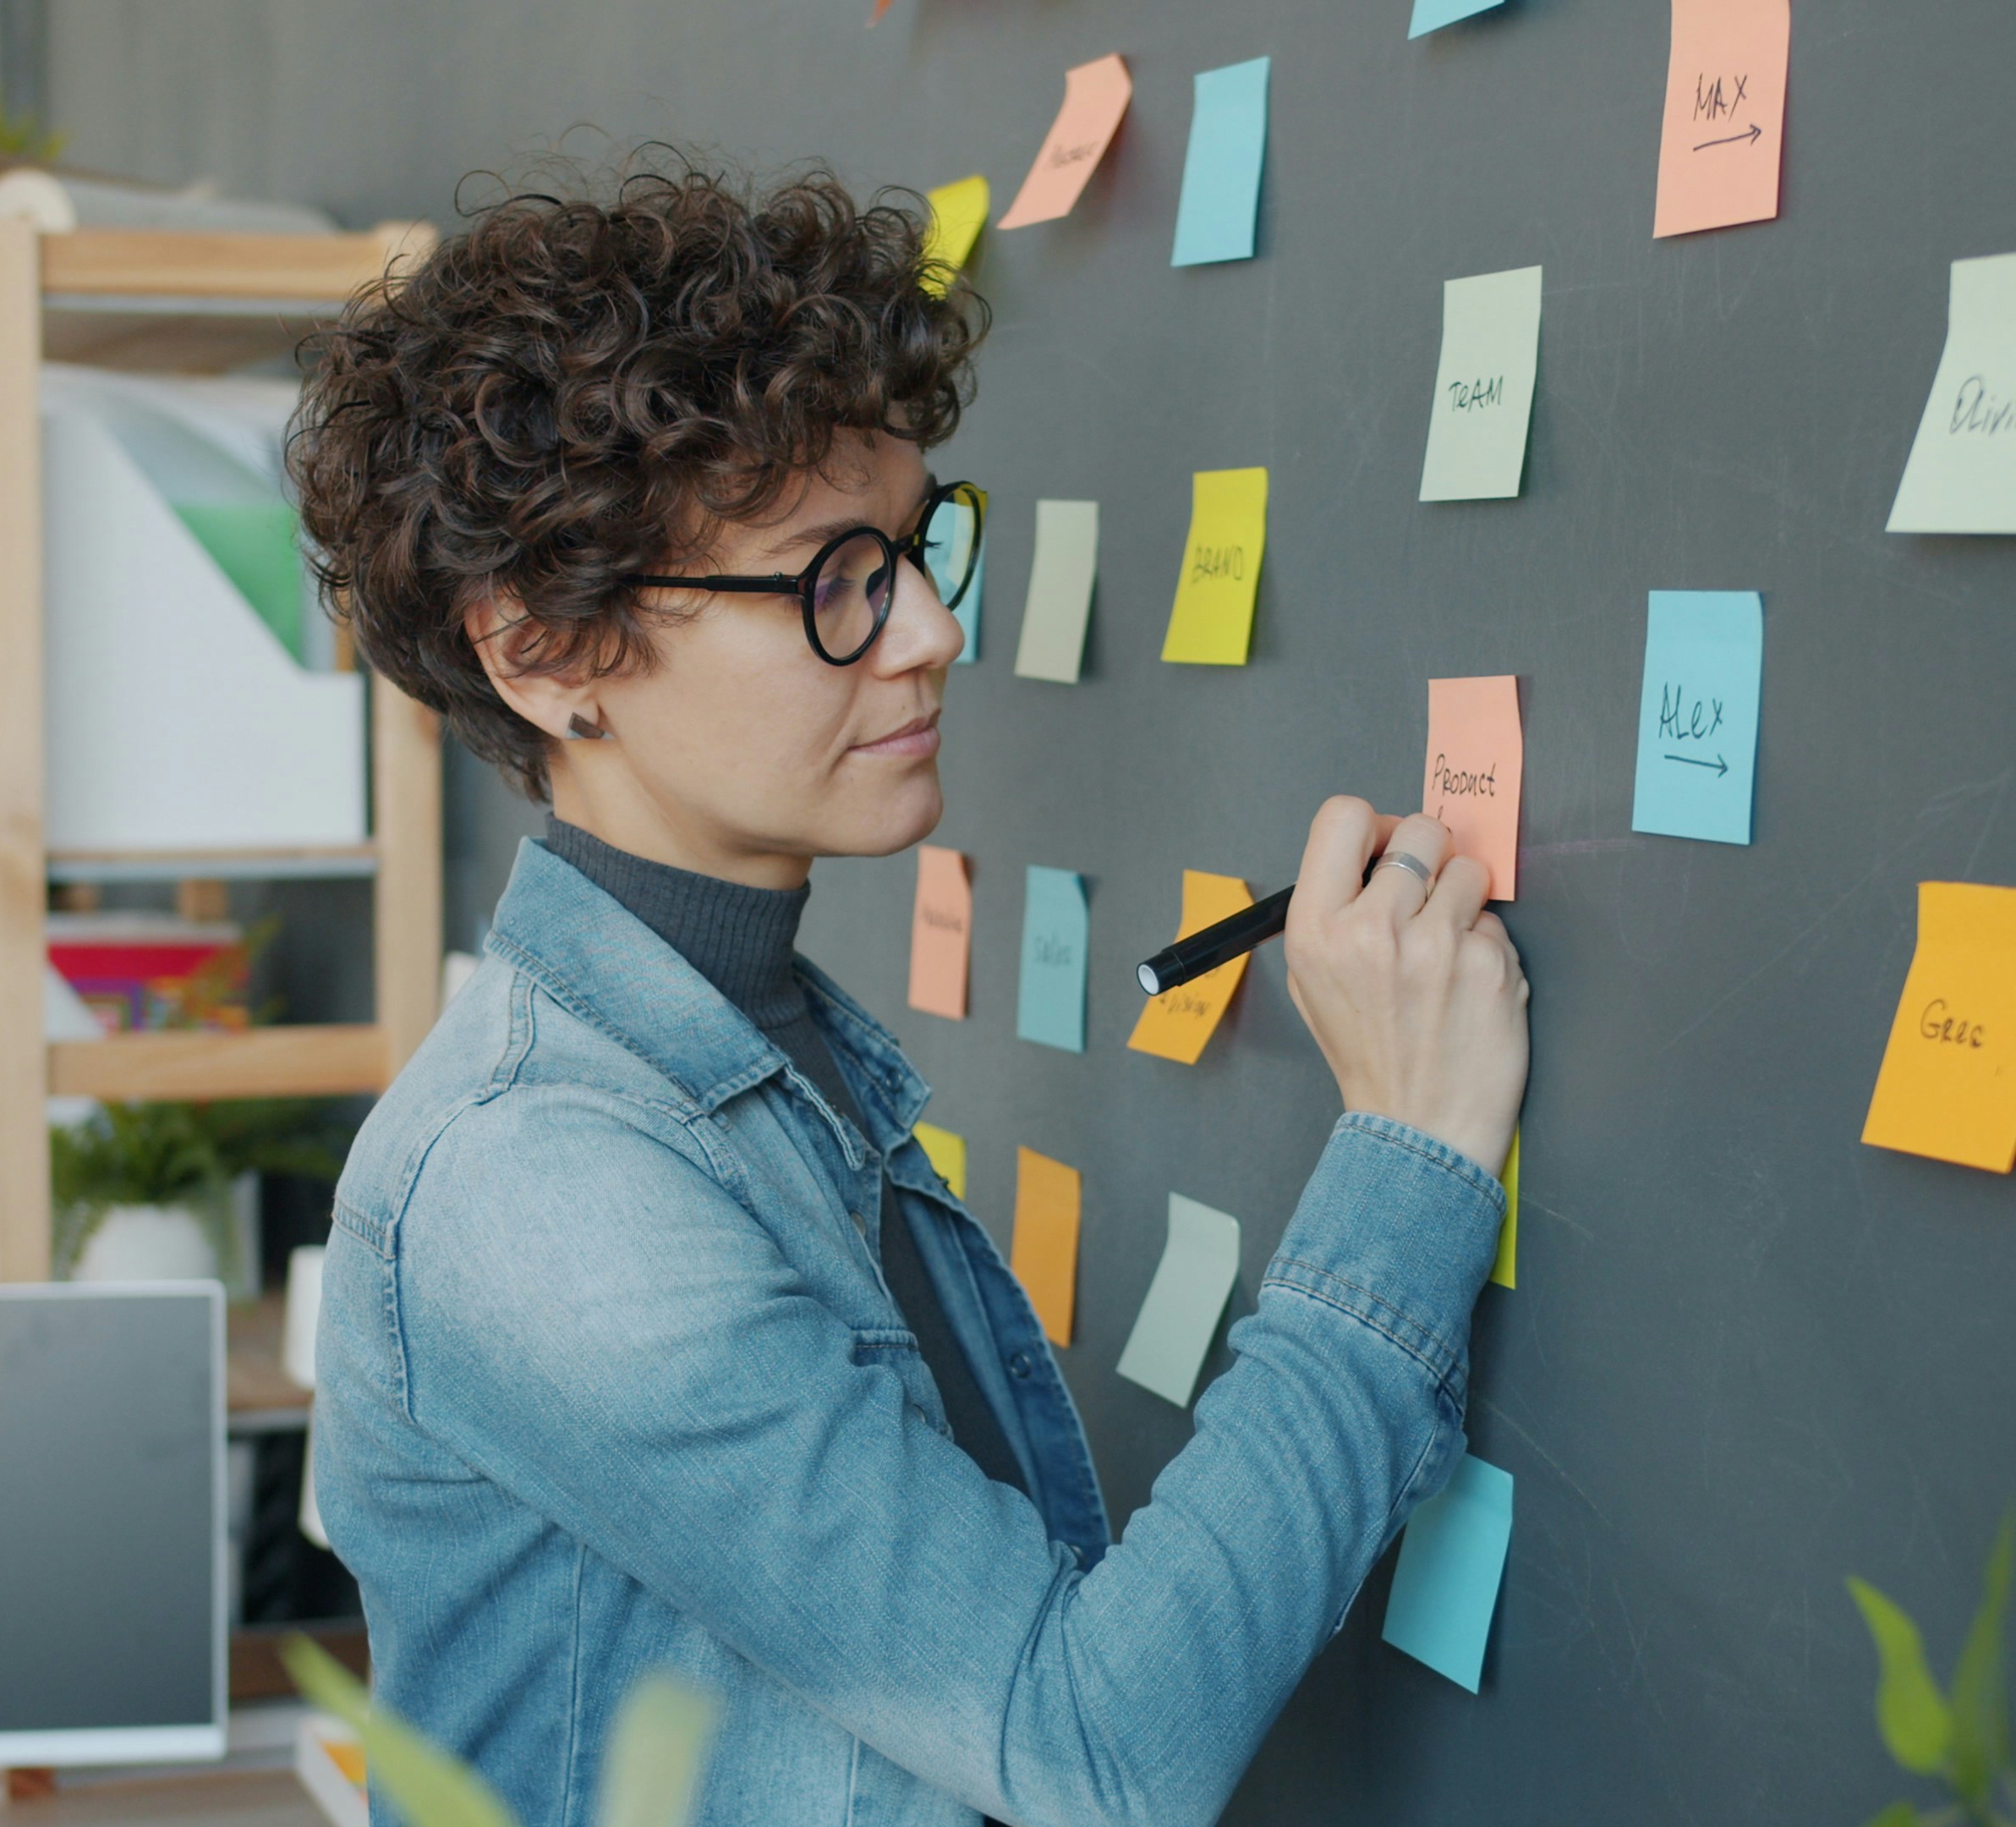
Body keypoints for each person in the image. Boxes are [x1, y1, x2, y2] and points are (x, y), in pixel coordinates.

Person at [291, 161, 1530, 1827]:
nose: (932, 631)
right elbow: (1094, 1749)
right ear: (545, 652)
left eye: (920, 543)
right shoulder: (540, 1183)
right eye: (832, 579)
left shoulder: (761, 1056)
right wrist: (1406, 1153)